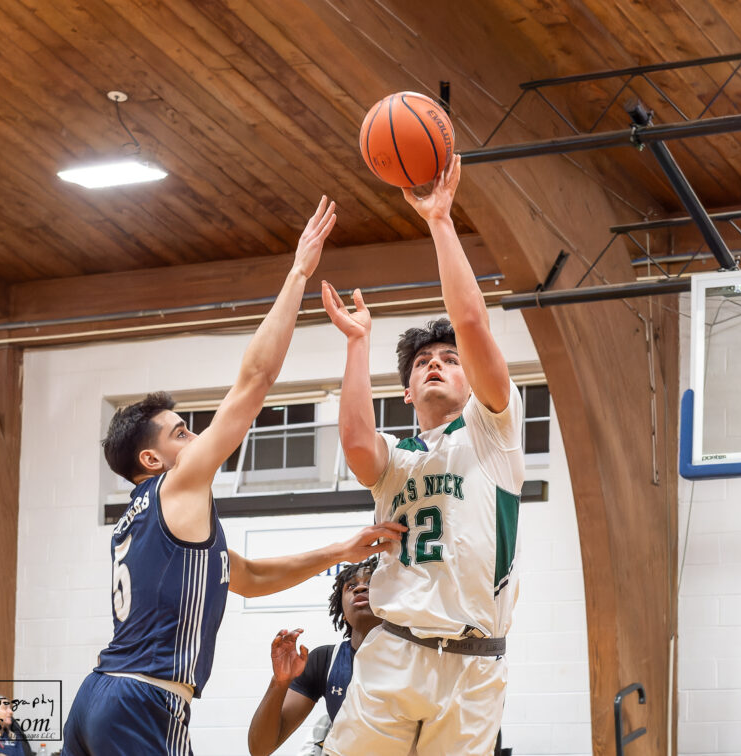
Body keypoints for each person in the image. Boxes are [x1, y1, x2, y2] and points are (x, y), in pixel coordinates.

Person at [61, 197, 405, 756]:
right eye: (180, 433)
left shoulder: (145, 523)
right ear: (151, 461)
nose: (195, 440)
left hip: (97, 696)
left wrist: (339, 549)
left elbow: (247, 577)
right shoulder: (176, 485)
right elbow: (255, 380)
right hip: (143, 700)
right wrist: (297, 273)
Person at [320, 154, 525, 755]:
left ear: (469, 380)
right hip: (396, 650)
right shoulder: (396, 459)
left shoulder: (494, 432)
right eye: (421, 363)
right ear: (407, 391)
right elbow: (357, 443)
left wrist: (439, 219)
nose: (436, 363)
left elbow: (471, 322)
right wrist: (359, 343)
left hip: (473, 663)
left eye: (449, 359)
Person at [247, 558, 378, 756]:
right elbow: (261, 748)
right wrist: (280, 682)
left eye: (370, 583)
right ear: (342, 611)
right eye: (351, 586)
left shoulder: (418, 653)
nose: (360, 588)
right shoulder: (324, 659)